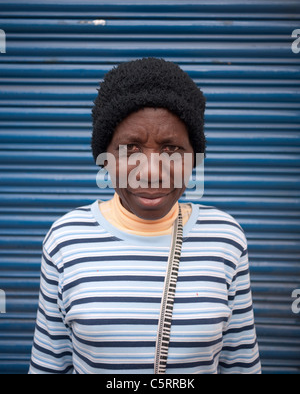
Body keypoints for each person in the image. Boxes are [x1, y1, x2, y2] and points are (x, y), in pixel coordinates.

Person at [29, 58, 261, 374]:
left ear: (194, 158)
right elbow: (49, 364)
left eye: (171, 149)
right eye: (130, 149)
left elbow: (241, 364)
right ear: (105, 156)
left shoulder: (225, 238)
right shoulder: (65, 239)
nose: (150, 173)